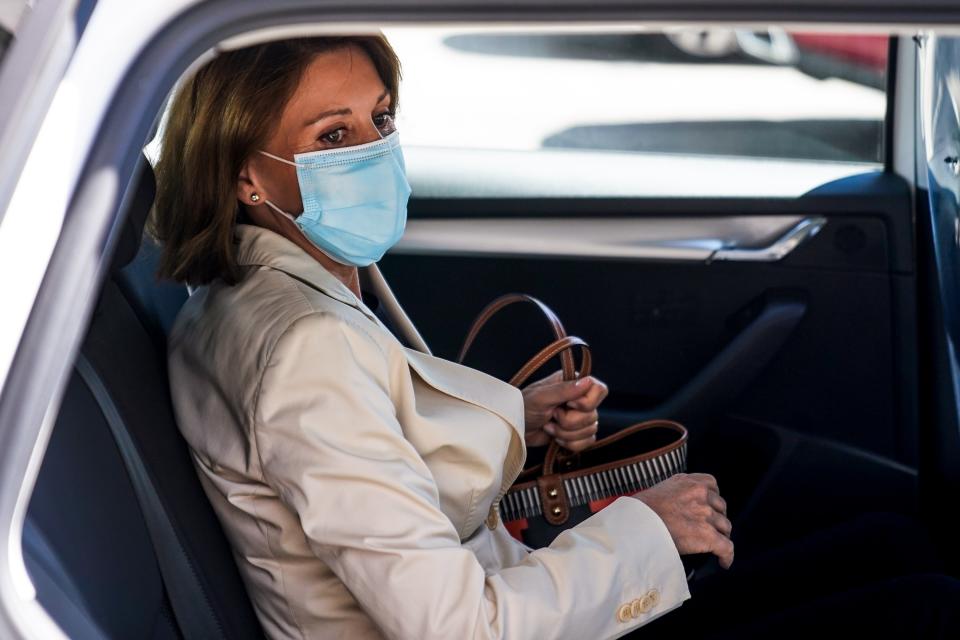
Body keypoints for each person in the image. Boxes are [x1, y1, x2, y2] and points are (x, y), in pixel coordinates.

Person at [153, 35, 730, 640]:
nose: (375, 152)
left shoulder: (236, 297)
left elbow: (346, 447)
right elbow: (458, 628)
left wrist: (517, 418)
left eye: (380, 119)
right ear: (247, 173)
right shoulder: (306, 347)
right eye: (332, 136)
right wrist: (648, 530)